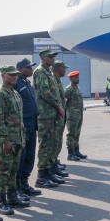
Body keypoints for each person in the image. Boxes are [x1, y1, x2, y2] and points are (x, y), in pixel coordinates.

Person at [0, 65, 27, 214]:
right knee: (3, 171)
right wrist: (4, 140)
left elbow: (20, 118)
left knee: (13, 170)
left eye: (16, 75)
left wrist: (23, 137)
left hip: (17, 139)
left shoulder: (16, 94)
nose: (14, 77)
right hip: (6, 142)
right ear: (3, 75)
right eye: (11, 75)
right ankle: (0, 202)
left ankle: (12, 197)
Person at [33, 49, 66, 188]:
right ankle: (42, 176)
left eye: (54, 57)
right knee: (45, 145)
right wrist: (58, 106)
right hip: (45, 114)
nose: (53, 59)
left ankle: (49, 172)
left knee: (51, 143)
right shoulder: (40, 72)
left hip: (51, 113)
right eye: (50, 57)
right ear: (42, 58)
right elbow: (45, 93)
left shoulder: (47, 72)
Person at [14, 58, 42, 199]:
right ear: (20, 69)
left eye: (31, 67)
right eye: (28, 67)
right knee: (21, 158)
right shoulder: (16, 83)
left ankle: (24, 184)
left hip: (32, 126)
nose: (31, 69)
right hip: (22, 127)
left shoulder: (27, 83)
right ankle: (17, 187)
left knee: (29, 157)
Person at [50, 61, 70, 174]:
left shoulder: (58, 81)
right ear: (57, 69)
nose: (65, 70)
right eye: (63, 68)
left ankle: (55, 162)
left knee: (58, 141)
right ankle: (52, 165)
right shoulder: (53, 81)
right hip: (56, 115)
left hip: (61, 114)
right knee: (55, 141)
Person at [64, 70, 86, 160]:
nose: (78, 79)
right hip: (72, 116)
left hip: (79, 115)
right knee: (71, 135)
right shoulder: (68, 89)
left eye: (78, 77)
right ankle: (70, 154)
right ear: (71, 78)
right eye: (76, 78)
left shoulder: (77, 88)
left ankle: (76, 151)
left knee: (77, 134)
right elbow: (64, 102)